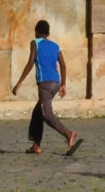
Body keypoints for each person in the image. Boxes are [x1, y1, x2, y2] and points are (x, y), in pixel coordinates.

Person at [10, 19, 82, 156]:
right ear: (48, 33)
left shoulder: (35, 43)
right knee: (38, 112)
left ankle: (68, 134)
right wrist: (63, 84)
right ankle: (36, 145)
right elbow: (63, 65)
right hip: (55, 83)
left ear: (36, 32)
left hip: (45, 84)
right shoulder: (55, 46)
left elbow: (30, 63)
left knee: (46, 114)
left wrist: (19, 83)